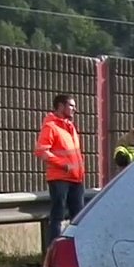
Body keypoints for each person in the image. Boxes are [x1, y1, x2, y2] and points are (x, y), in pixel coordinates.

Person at [34, 93, 86, 247]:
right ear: (61, 106)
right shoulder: (51, 126)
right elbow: (41, 151)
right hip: (60, 178)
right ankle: (53, 250)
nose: (74, 109)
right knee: (58, 216)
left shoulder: (70, 127)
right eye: (71, 105)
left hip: (76, 178)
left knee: (79, 217)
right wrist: (62, 164)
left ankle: (76, 251)